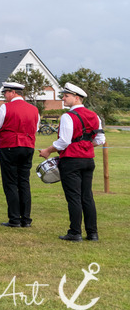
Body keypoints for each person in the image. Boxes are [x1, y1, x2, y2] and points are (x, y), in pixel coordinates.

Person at [39, 82, 105, 242]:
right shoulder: (94, 115)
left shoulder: (68, 116)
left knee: (74, 197)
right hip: (88, 160)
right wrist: (86, 145)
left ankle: (75, 232)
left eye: (66, 96)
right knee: (87, 196)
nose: (63, 98)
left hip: (71, 160)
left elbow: (64, 141)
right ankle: (92, 233)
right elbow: (101, 139)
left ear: (76, 98)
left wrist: (47, 150)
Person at [0, 81, 40, 228]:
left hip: (10, 146)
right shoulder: (34, 109)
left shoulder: (5, 107)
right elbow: (35, 129)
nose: (5, 95)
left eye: (6, 92)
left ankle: (14, 218)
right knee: (24, 182)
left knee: (10, 182)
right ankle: (26, 218)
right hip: (28, 146)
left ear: (13, 92)